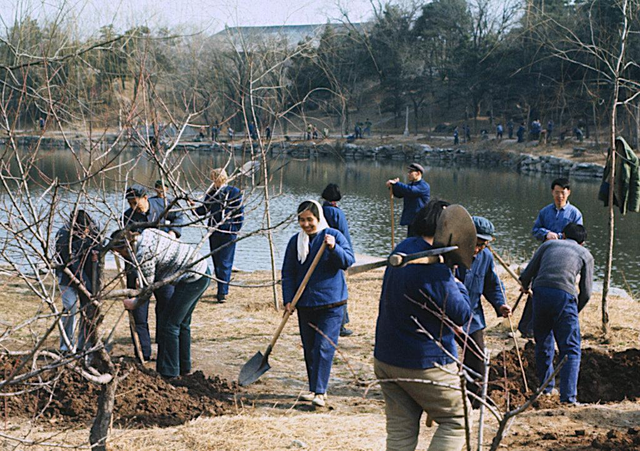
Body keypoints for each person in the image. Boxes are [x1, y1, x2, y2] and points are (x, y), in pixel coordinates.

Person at [374, 200, 472, 451]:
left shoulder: (403, 249)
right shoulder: (433, 267)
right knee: (458, 421)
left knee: (400, 432)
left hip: (386, 357)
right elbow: (461, 314)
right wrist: (454, 279)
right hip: (423, 362)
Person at [282, 200, 354, 407]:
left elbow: (348, 261)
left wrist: (333, 248)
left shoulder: (333, 236)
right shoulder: (296, 242)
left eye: (309, 220)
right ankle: (314, 388)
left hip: (332, 303)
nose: (305, 224)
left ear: (318, 218)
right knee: (310, 348)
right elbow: (288, 273)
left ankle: (320, 392)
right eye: (301, 220)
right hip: (305, 304)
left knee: (324, 346)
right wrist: (288, 299)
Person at [112, 229, 211, 378]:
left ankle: (169, 372)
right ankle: (184, 368)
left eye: (120, 253)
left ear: (126, 247)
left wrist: (134, 303)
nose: (120, 256)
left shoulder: (143, 254)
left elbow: (147, 290)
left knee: (168, 324)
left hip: (192, 279)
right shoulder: (148, 232)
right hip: (203, 271)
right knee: (181, 323)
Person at [519, 223, 593, 405]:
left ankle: (546, 388)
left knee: (543, 340)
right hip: (564, 294)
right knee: (571, 348)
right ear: (582, 242)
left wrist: (526, 284)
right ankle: (568, 398)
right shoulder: (585, 254)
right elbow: (587, 292)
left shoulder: (548, 245)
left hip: (540, 293)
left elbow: (527, 274)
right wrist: (576, 310)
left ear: (563, 235)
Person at [122, 184, 186, 361]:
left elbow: (179, 215)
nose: (134, 207)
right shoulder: (128, 217)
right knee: (139, 312)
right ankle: (143, 352)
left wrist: (173, 232)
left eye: (136, 202)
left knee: (166, 307)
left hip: (163, 268)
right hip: (138, 269)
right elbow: (128, 246)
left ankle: (164, 347)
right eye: (130, 203)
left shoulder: (162, 204)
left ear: (145, 198)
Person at [455, 216, 511, 407]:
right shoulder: (452, 254)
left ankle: (476, 398)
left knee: (478, 357)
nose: (478, 249)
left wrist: (500, 304)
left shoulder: (486, 257)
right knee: (446, 357)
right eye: (475, 243)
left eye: (483, 245)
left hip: (472, 316)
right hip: (447, 316)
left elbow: (492, 284)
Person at [194, 168, 244, 303]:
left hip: (228, 233)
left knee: (225, 262)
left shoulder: (234, 192)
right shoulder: (211, 193)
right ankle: (220, 288)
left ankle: (222, 292)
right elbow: (203, 210)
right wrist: (192, 207)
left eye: (214, 178)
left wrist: (233, 229)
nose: (212, 181)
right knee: (216, 260)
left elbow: (239, 213)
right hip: (214, 231)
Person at [55, 210, 101, 353]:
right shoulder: (63, 236)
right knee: (70, 308)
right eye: (80, 230)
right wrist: (84, 284)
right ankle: (66, 347)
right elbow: (71, 264)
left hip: (88, 275)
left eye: (85, 230)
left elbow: (99, 250)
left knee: (88, 311)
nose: (83, 233)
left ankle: (84, 346)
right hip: (67, 276)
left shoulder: (95, 232)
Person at [321, 183, 354, 337]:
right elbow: (344, 236)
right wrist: (348, 257)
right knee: (340, 290)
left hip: (321, 254)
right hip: (336, 253)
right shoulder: (336, 213)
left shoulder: (319, 210)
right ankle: (340, 325)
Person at [386, 163, 431, 237]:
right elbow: (400, 194)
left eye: (411, 172)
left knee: (417, 242)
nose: (408, 174)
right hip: (411, 221)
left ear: (418, 173)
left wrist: (397, 184)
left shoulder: (423, 186)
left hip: (420, 221)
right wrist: (392, 187)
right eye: (408, 172)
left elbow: (411, 191)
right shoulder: (410, 185)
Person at [532, 178, 583, 242]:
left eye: (563, 193)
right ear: (552, 192)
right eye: (557, 192)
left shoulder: (575, 213)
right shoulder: (545, 212)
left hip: (567, 249)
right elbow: (535, 230)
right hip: (548, 248)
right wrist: (546, 234)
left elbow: (579, 235)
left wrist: (560, 236)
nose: (560, 196)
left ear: (568, 192)